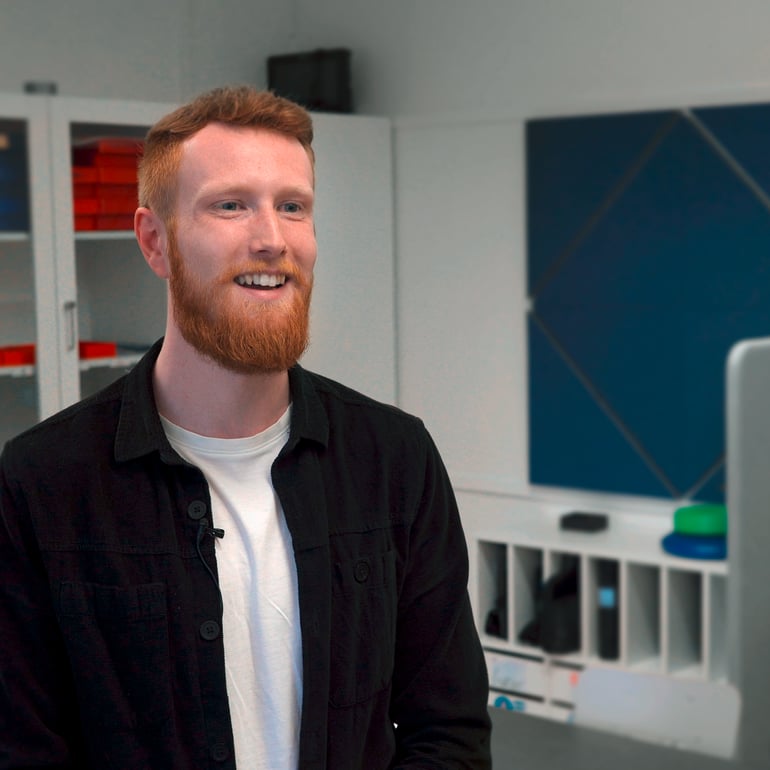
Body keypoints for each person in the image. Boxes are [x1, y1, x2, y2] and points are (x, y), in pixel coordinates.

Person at [0, 85, 492, 769]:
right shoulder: (40, 484)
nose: (271, 239)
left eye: (292, 207)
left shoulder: (394, 459)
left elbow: (450, 731)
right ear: (154, 241)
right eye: (230, 206)